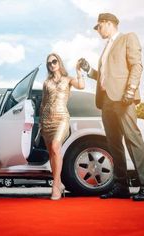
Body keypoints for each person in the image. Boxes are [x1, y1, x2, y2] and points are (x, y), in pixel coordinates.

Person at [79, 13, 144, 201]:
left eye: (99, 27)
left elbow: (137, 66)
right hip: (106, 100)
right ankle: (121, 187)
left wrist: (130, 90)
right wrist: (89, 70)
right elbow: (105, 77)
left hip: (123, 99)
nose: (98, 31)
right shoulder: (105, 49)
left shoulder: (128, 38)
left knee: (133, 140)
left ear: (108, 23)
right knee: (114, 144)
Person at [40, 53, 84, 200]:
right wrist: (41, 122)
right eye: (49, 63)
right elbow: (43, 103)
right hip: (47, 120)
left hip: (62, 118)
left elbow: (82, 86)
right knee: (52, 153)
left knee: (55, 146)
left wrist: (79, 72)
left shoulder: (69, 79)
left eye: (54, 61)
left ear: (59, 62)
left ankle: (56, 185)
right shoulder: (46, 83)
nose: (52, 64)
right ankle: (58, 184)